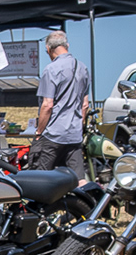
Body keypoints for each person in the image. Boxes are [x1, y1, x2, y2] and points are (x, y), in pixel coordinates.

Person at [29, 32, 91, 180]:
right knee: (79, 180)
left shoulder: (51, 69)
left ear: (49, 49)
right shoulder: (82, 68)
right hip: (74, 135)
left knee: (38, 178)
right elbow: (85, 105)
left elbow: (47, 105)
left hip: (53, 135)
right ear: (66, 46)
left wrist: (39, 132)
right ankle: (87, 202)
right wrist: (78, 126)